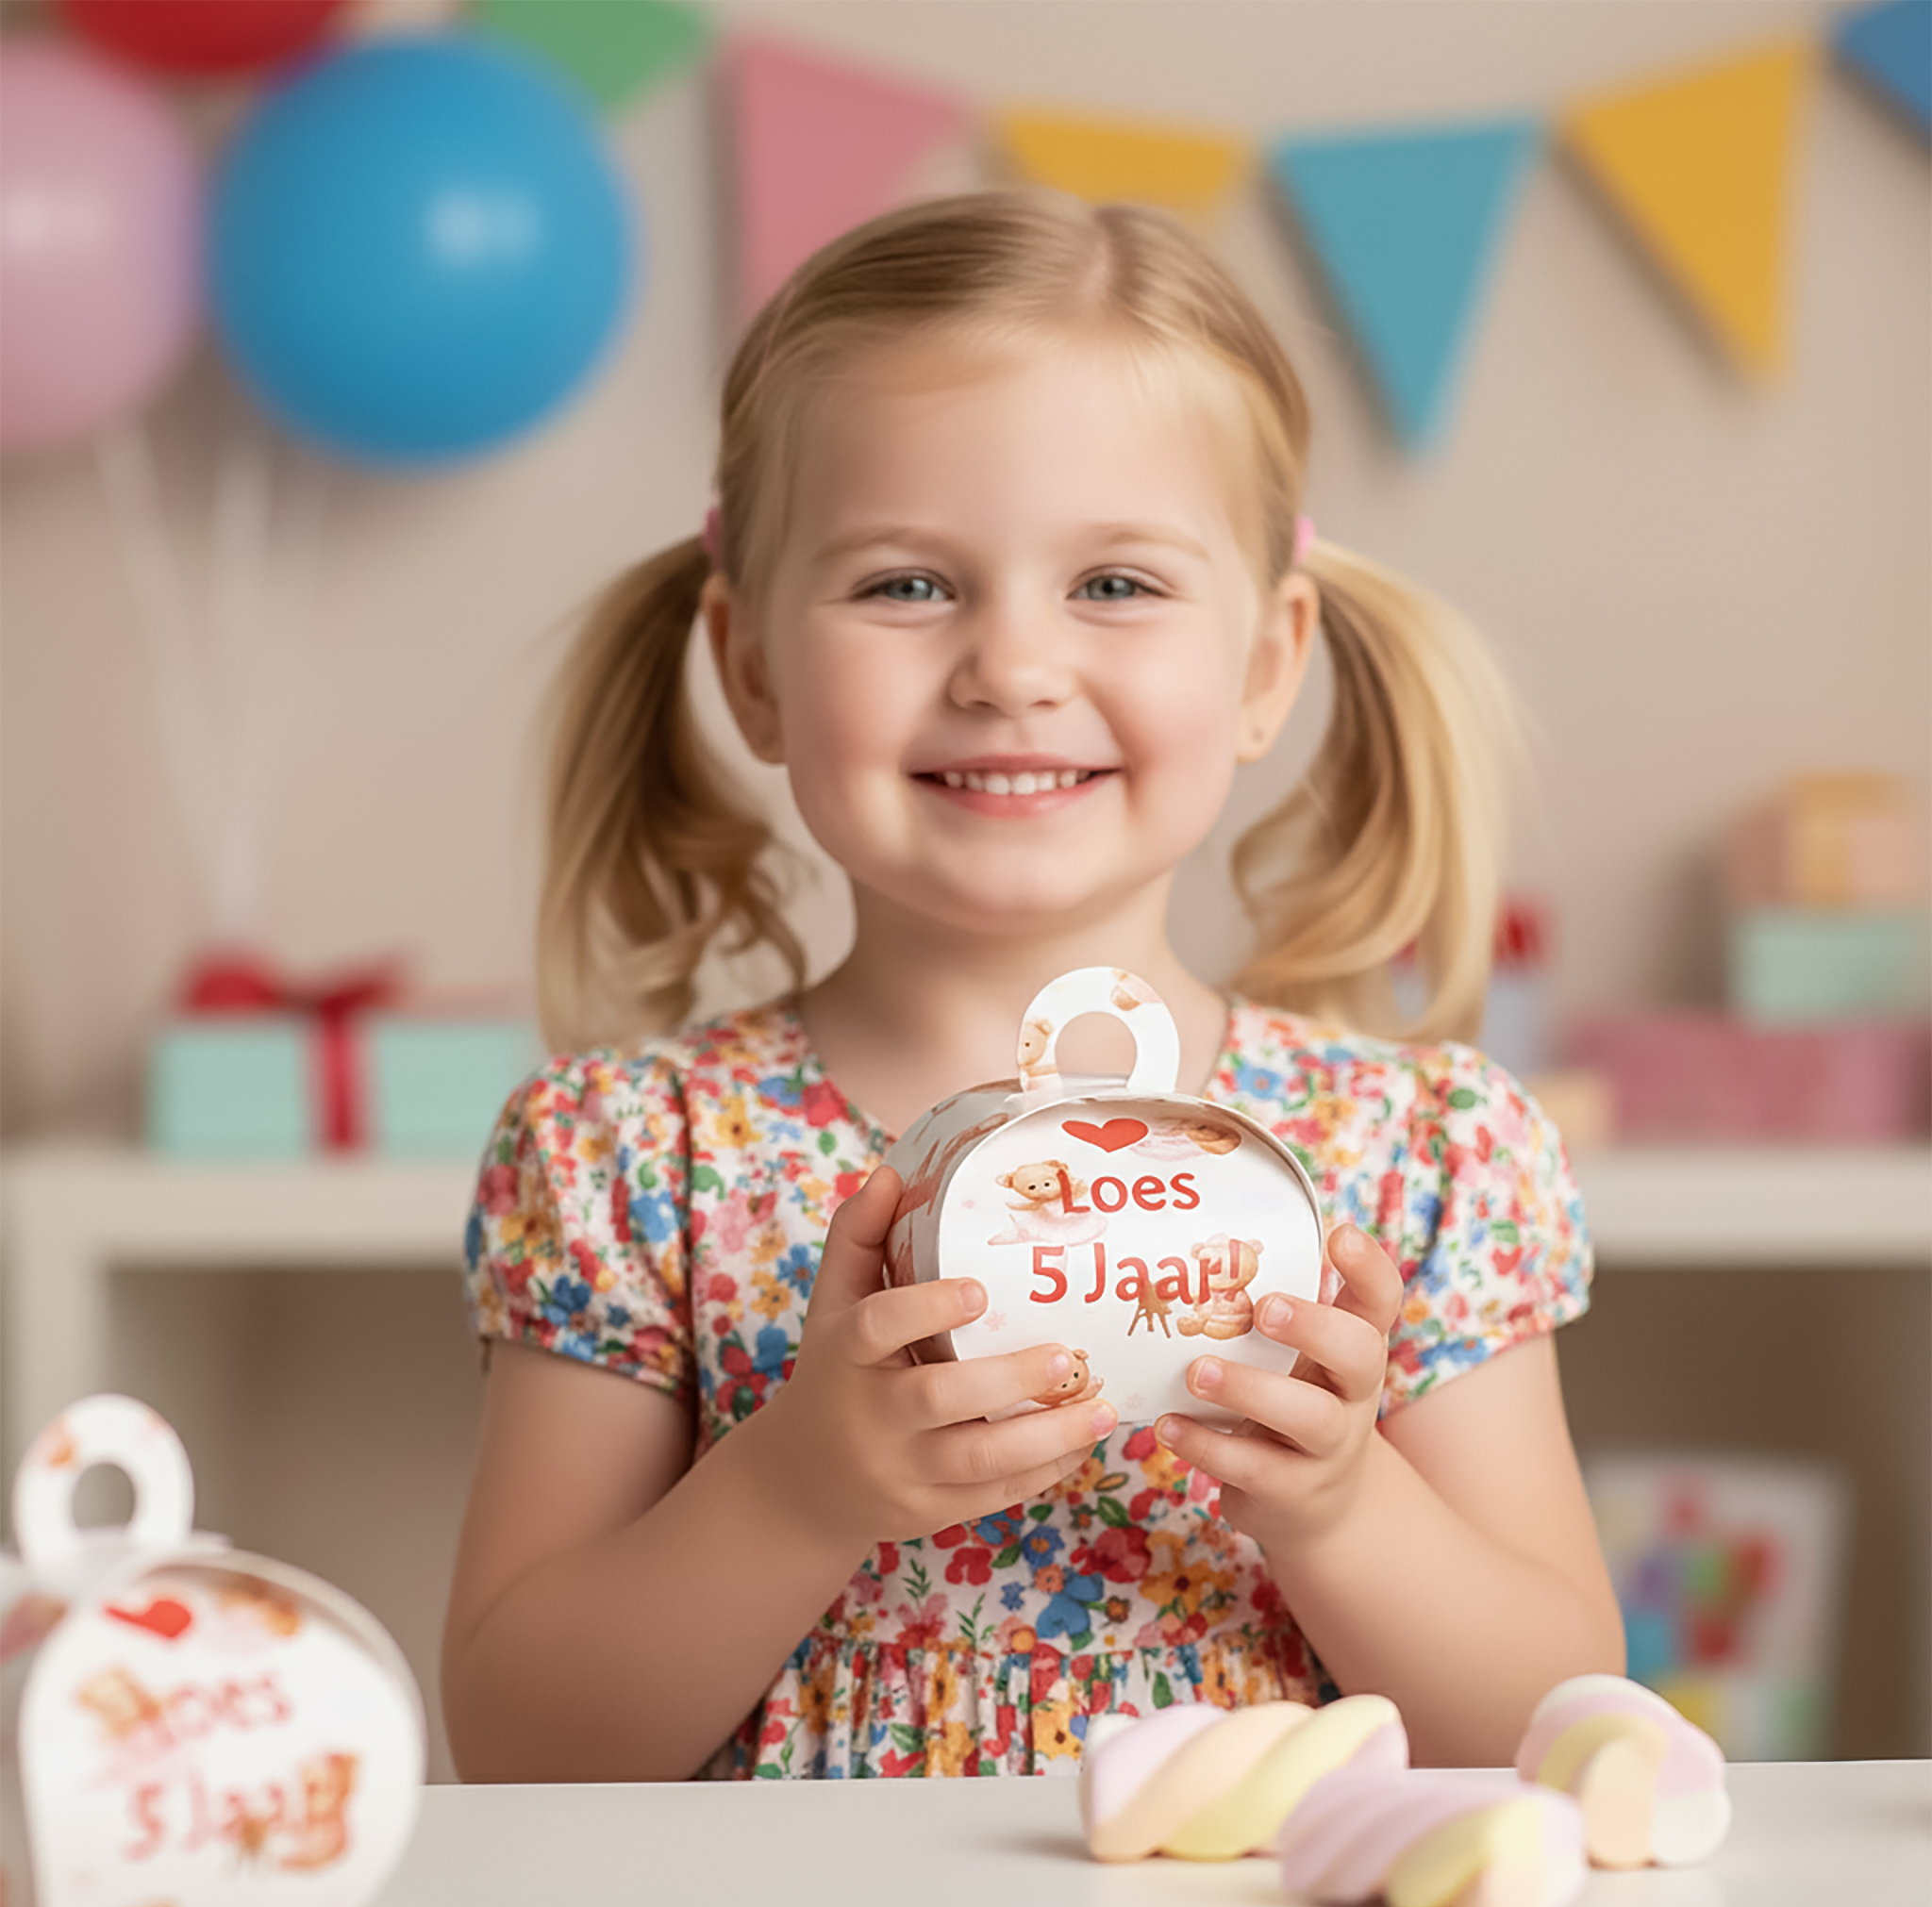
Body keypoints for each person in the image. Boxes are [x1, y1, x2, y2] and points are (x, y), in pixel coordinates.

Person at [441, 190, 1624, 1785]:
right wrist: (799, 1489)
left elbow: (1551, 1728)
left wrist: (1344, 1504)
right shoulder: (633, 1158)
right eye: (907, 585)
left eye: (1117, 586)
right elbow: (525, 1748)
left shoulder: (1423, 1152)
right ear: (752, 669)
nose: (1011, 665)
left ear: (1268, 663)